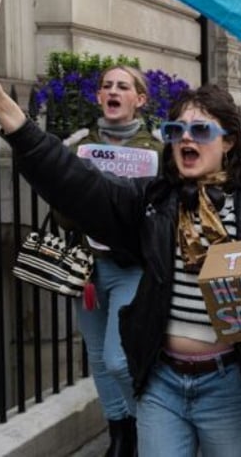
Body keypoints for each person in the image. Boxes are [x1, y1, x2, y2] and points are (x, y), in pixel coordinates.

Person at [0, 60, 241, 457]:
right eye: (176, 131)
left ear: (228, 141)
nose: (186, 138)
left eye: (201, 130)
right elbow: (76, 181)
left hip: (227, 389)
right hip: (162, 386)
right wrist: (5, 108)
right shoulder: (152, 203)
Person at [59, 65, 163, 457]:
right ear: (98, 96)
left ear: (140, 99)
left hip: (129, 267)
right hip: (86, 269)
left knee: (120, 360)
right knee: (98, 357)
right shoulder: (78, 145)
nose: (113, 91)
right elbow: (58, 200)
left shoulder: (156, 148)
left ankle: (144, 427)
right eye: (107, 86)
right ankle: (120, 434)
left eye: (123, 86)